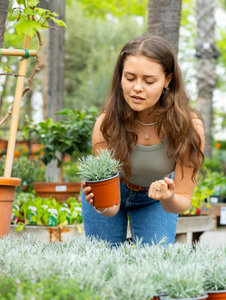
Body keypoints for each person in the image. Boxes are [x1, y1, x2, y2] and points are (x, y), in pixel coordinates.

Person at [81, 35, 205, 246]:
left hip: (156, 199)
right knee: (103, 262)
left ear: (168, 80)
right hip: (115, 189)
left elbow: (182, 200)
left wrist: (168, 197)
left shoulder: (189, 127)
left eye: (149, 81)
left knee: (155, 266)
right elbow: (110, 206)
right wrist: (103, 205)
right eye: (129, 78)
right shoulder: (107, 125)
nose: (137, 88)